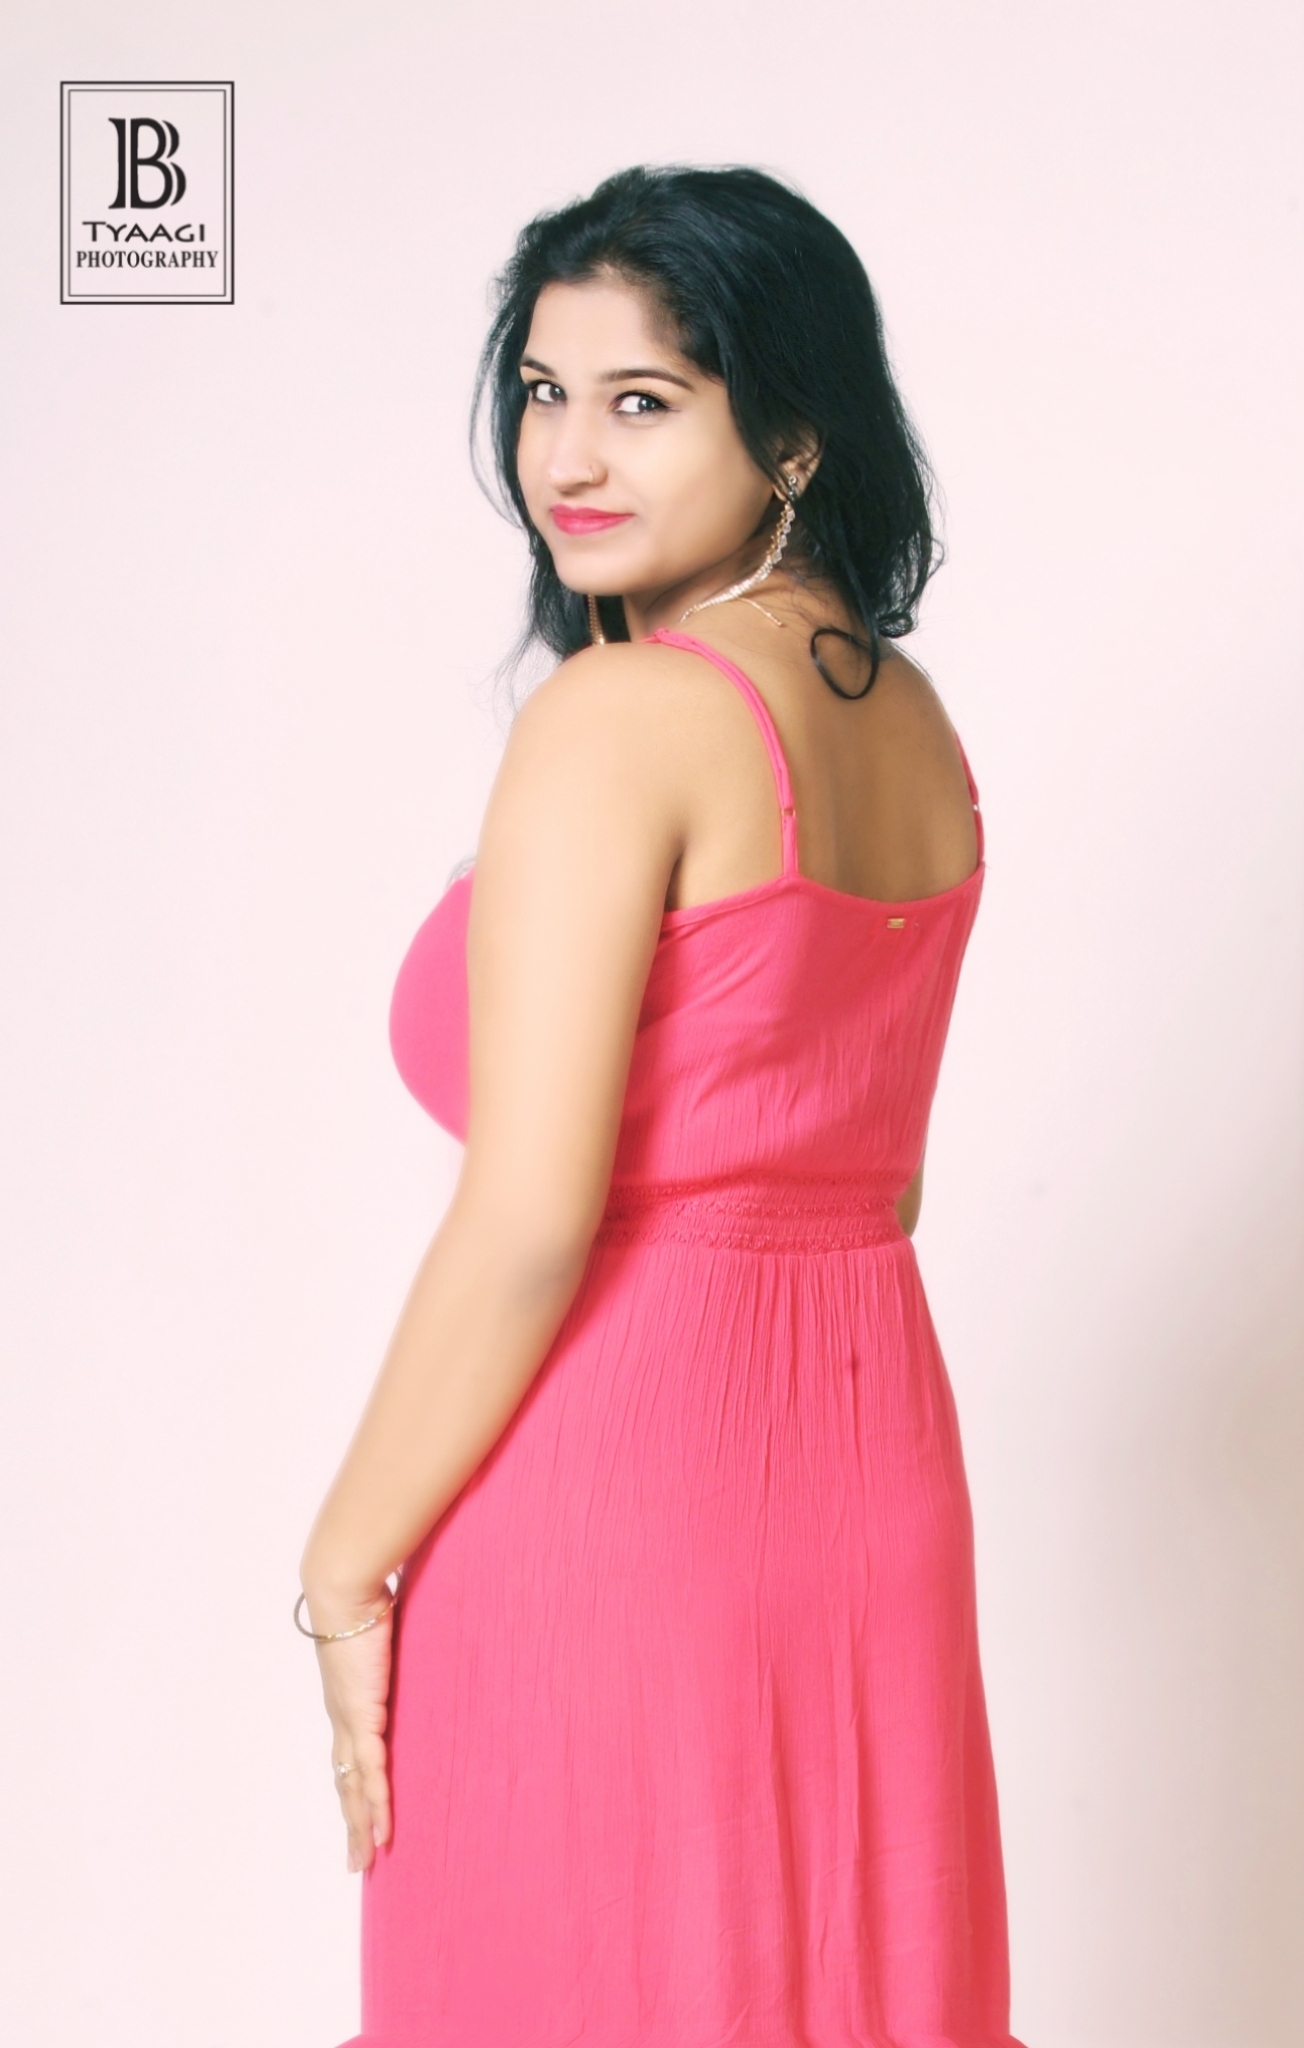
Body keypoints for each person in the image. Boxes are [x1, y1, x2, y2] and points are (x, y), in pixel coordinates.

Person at [298, 164, 1023, 2048]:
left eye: (644, 399)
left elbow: (533, 1216)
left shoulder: (623, 717)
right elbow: (883, 1182)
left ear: (790, 433)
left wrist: (344, 1563)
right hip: (872, 1468)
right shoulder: (912, 724)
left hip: (620, 1482)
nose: (569, 456)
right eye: (545, 393)